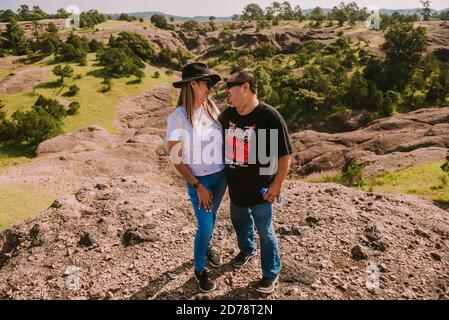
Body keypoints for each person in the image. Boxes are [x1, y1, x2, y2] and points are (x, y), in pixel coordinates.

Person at [219, 67, 293, 294]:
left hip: (262, 192)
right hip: (236, 190)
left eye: (229, 86)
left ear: (245, 87)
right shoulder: (227, 115)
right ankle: (247, 250)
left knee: (265, 231)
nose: (226, 92)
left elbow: (285, 154)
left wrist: (277, 184)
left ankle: (271, 273)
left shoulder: (269, 116)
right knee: (239, 223)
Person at [166, 62, 227, 293]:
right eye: (206, 82)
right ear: (193, 84)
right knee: (204, 226)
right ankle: (200, 270)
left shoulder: (212, 107)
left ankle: (208, 246)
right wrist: (197, 185)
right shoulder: (177, 118)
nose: (210, 87)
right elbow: (176, 159)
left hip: (221, 177)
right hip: (200, 182)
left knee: (212, 217)